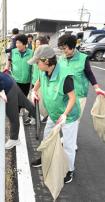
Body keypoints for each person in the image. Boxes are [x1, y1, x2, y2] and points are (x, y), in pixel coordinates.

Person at [28, 45, 81, 184]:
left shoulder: (64, 76)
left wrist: (64, 115)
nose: (36, 64)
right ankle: (45, 158)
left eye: (37, 61)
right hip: (53, 113)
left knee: (69, 146)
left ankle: (70, 170)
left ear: (46, 61)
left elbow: (72, 98)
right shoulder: (43, 71)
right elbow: (38, 82)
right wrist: (34, 91)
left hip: (68, 117)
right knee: (47, 138)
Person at [57, 34, 105, 120]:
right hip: (65, 94)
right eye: (61, 48)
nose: (63, 51)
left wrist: (97, 88)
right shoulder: (61, 58)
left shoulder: (83, 58)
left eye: (64, 48)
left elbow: (89, 74)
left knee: (75, 119)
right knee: (63, 118)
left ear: (72, 46)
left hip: (79, 95)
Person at [4, 34, 34, 124]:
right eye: (16, 43)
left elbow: (34, 67)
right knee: (15, 98)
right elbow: (9, 61)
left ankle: (20, 110)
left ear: (25, 44)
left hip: (26, 81)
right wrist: (6, 68)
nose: (17, 45)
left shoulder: (31, 53)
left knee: (23, 97)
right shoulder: (13, 52)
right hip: (15, 80)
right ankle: (16, 113)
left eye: (19, 43)